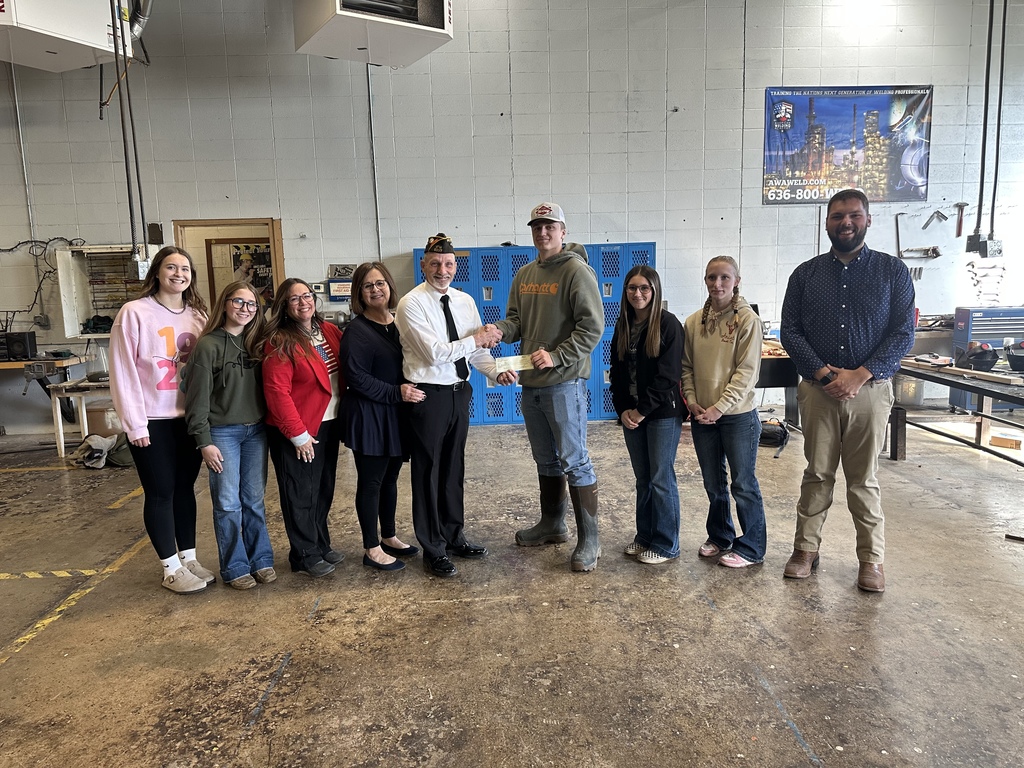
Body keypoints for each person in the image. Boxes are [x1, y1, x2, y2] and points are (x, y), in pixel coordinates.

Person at [780, 188, 915, 592]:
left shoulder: (892, 272)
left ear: (868, 219)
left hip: (869, 391)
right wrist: (824, 374)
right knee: (817, 473)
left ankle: (871, 560)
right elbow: (791, 331)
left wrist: (861, 374)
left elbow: (903, 332)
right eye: (837, 216)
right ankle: (805, 550)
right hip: (818, 392)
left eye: (854, 215)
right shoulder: (806, 274)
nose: (846, 223)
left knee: (863, 478)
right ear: (827, 223)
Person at [490, 202, 604, 572]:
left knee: (575, 460)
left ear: (563, 231)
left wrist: (557, 356)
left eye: (550, 226)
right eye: (537, 227)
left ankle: (591, 540)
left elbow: (592, 328)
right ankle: (553, 523)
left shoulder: (576, 272)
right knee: (546, 459)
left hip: (564, 383)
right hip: (531, 384)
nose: (543, 233)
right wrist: (497, 331)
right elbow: (515, 323)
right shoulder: (524, 274)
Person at [394, 234, 503, 579]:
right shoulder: (411, 304)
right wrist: (477, 339)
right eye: (436, 263)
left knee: (453, 468)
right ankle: (433, 548)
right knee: (428, 470)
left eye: (449, 263)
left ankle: (454, 535)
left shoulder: (464, 300)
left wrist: (496, 371)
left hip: (459, 392)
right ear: (423, 264)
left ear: (456, 266)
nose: (443, 270)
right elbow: (436, 353)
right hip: (429, 394)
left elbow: (477, 351)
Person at [108, 246, 212, 594]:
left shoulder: (197, 315)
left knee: (185, 490)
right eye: (171, 267)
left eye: (185, 268)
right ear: (157, 272)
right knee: (160, 492)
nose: (179, 273)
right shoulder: (134, 313)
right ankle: (170, 568)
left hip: (189, 419)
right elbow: (122, 371)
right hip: (153, 419)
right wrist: (135, 424)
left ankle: (188, 557)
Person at [184, 281, 275, 590]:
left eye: (252, 305)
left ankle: (260, 559)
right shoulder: (208, 345)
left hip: (256, 432)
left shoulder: (259, 343)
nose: (245, 309)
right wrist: (203, 441)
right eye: (239, 302)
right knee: (227, 503)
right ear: (225, 303)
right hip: (223, 434)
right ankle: (235, 565)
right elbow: (197, 399)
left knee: (253, 500)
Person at [682, 256, 767, 569]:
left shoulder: (747, 321)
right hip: (704, 416)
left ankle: (753, 547)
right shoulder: (693, 323)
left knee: (743, 484)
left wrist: (720, 407)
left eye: (724, 278)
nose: (717, 284)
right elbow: (686, 367)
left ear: (737, 281)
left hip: (737, 418)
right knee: (713, 483)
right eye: (711, 278)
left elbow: (746, 373)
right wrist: (692, 402)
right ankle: (720, 536)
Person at [339, 261, 423, 573]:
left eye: (380, 283)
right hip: (370, 415)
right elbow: (356, 377)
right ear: (359, 293)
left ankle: (388, 535)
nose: (376, 290)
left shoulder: (399, 322)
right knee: (371, 481)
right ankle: (371, 547)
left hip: (396, 415)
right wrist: (395, 393)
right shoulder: (357, 332)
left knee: (390, 478)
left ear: (389, 286)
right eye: (368, 286)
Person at [263, 278, 346, 578]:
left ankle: (320, 543)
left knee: (322, 489)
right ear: (284, 307)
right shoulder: (280, 341)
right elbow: (276, 391)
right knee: (300, 492)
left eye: (307, 296)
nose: (303, 302)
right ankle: (304, 553)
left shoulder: (327, 331)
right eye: (294, 299)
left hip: (328, 423)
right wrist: (297, 435)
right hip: (298, 429)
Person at [609, 266, 685, 565]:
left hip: (661, 414)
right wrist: (623, 410)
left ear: (654, 291)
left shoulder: (668, 325)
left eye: (644, 288)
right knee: (643, 478)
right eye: (631, 288)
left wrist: (640, 411)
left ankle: (667, 544)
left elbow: (668, 376)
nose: (637, 294)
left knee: (660, 477)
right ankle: (645, 537)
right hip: (632, 414)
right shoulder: (623, 324)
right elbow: (615, 373)